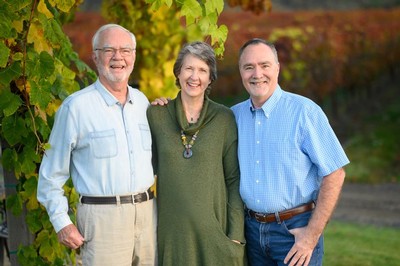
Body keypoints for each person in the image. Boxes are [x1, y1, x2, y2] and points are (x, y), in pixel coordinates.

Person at [37, 24, 157, 265]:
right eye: (108, 50)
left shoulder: (143, 104)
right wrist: (62, 222)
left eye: (125, 50)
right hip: (102, 222)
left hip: (147, 217)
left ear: (133, 56)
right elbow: (50, 175)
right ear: (95, 57)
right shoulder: (76, 108)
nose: (118, 57)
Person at [231, 38, 349, 266]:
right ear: (241, 72)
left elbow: (335, 173)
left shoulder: (304, 112)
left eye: (265, 65)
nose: (257, 73)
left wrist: (310, 237)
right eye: (249, 67)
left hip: (296, 231)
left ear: (277, 68)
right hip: (251, 232)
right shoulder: (233, 116)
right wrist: (166, 107)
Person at [147, 41, 246, 266]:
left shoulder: (224, 118)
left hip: (215, 236)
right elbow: (145, 172)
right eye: (189, 68)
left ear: (210, 78)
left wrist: (236, 236)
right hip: (171, 238)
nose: (195, 76)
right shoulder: (156, 115)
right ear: (178, 72)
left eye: (202, 70)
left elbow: (233, 181)